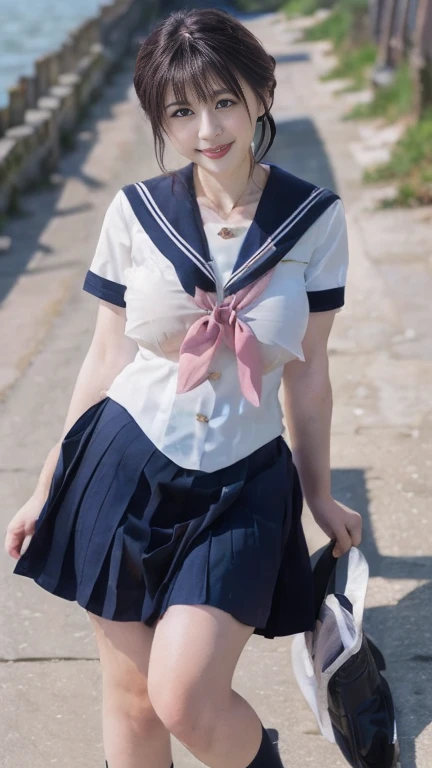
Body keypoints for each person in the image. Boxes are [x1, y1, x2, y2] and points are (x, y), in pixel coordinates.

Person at [4, 8, 362, 768]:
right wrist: (47, 486)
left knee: (187, 698)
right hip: (123, 467)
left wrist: (320, 493)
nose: (207, 127)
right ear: (160, 118)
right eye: (181, 109)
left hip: (243, 484)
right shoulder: (135, 214)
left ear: (262, 93)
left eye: (224, 99)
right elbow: (103, 358)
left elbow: (310, 372)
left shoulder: (313, 220)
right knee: (132, 703)